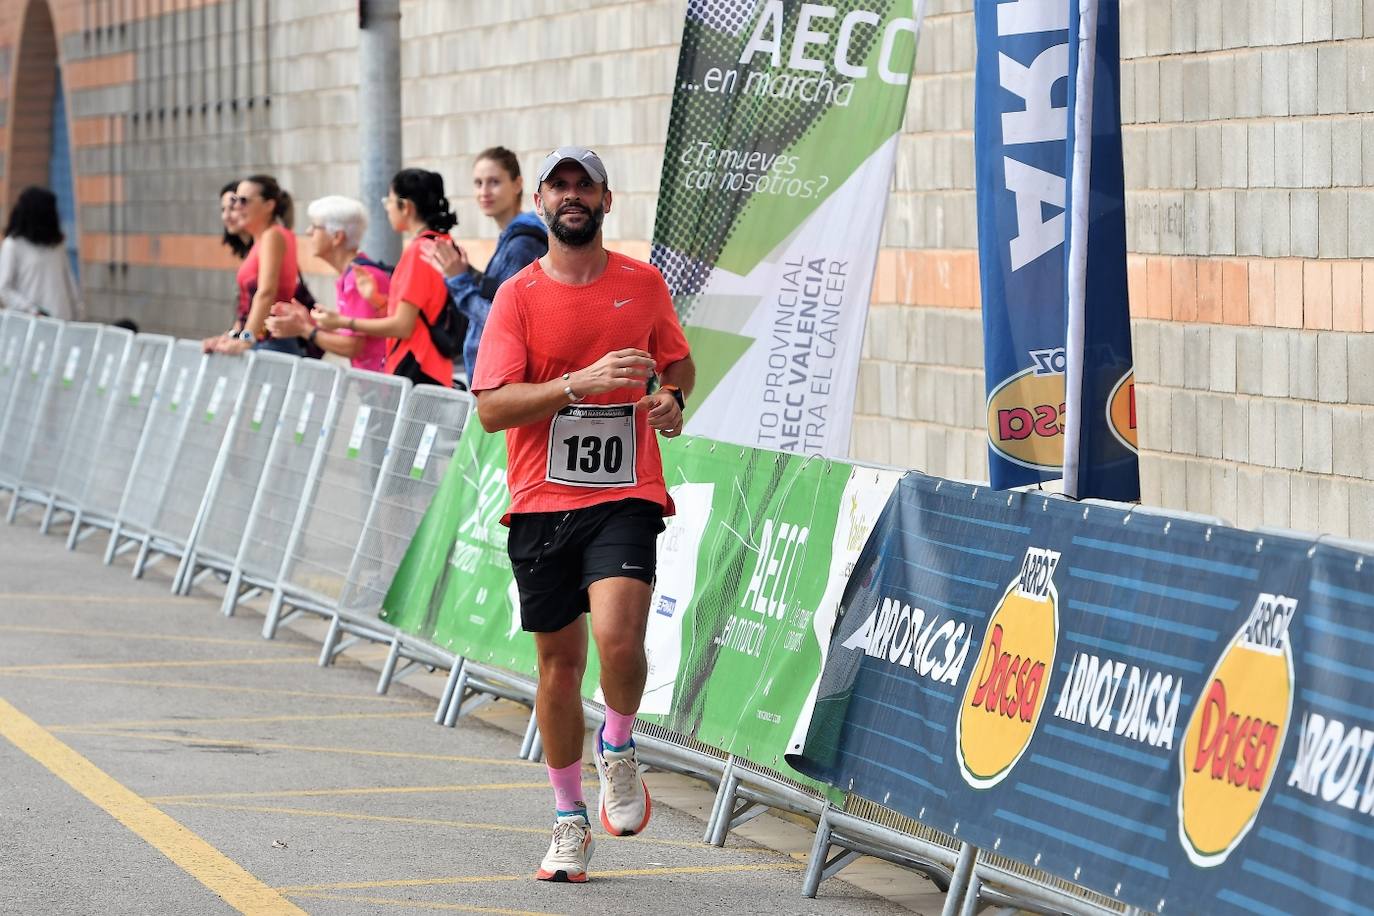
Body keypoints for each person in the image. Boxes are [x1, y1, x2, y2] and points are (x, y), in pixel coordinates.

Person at [471, 146, 695, 883]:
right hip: (542, 501)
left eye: (585, 185)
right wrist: (577, 384)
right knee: (559, 667)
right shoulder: (519, 296)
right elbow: (492, 410)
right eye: (559, 185)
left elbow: (678, 363)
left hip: (625, 494)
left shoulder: (642, 282)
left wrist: (671, 399)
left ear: (606, 200)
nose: (572, 196)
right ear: (541, 201)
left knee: (618, 638)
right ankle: (569, 821)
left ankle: (621, 747)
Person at [312, 168, 455, 387]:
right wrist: (378, 300)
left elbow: (403, 326)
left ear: (405, 207)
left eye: (389, 200)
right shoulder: (441, 242)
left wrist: (342, 322)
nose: (387, 208)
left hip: (418, 368)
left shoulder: (419, 251)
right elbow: (421, 313)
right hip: (431, 367)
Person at [422, 146, 547, 384]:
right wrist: (464, 271)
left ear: (517, 184)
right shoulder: (516, 236)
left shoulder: (522, 243)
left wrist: (458, 280)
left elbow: (499, 318)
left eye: (494, 182)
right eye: (478, 183)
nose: (484, 192)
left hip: (504, 382)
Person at [265, 195, 390, 372]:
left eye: (315, 227)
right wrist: (309, 323)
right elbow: (352, 338)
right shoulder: (350, 275)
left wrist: (304, 329)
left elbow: (354, 346)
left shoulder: (360, 277)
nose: (308, 232)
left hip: (382, 387)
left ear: (337, 237)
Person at [204, 180, 317, 354]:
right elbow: (247, 307)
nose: (236, 208)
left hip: (271, 343)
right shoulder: (262, 240)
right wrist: (232, 337)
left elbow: (266, 293)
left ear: (268, 205)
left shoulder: (273, 235)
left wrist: (246, 340)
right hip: (263, 342)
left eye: (243, 201)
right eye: (235, 201)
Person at [0, 186, 83, 320]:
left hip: (62, 319)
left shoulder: (56, 244)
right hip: (31, 323)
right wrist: (30, 309)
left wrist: (78, 312)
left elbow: (69, 281)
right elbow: (4, 288)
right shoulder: (13, 245)